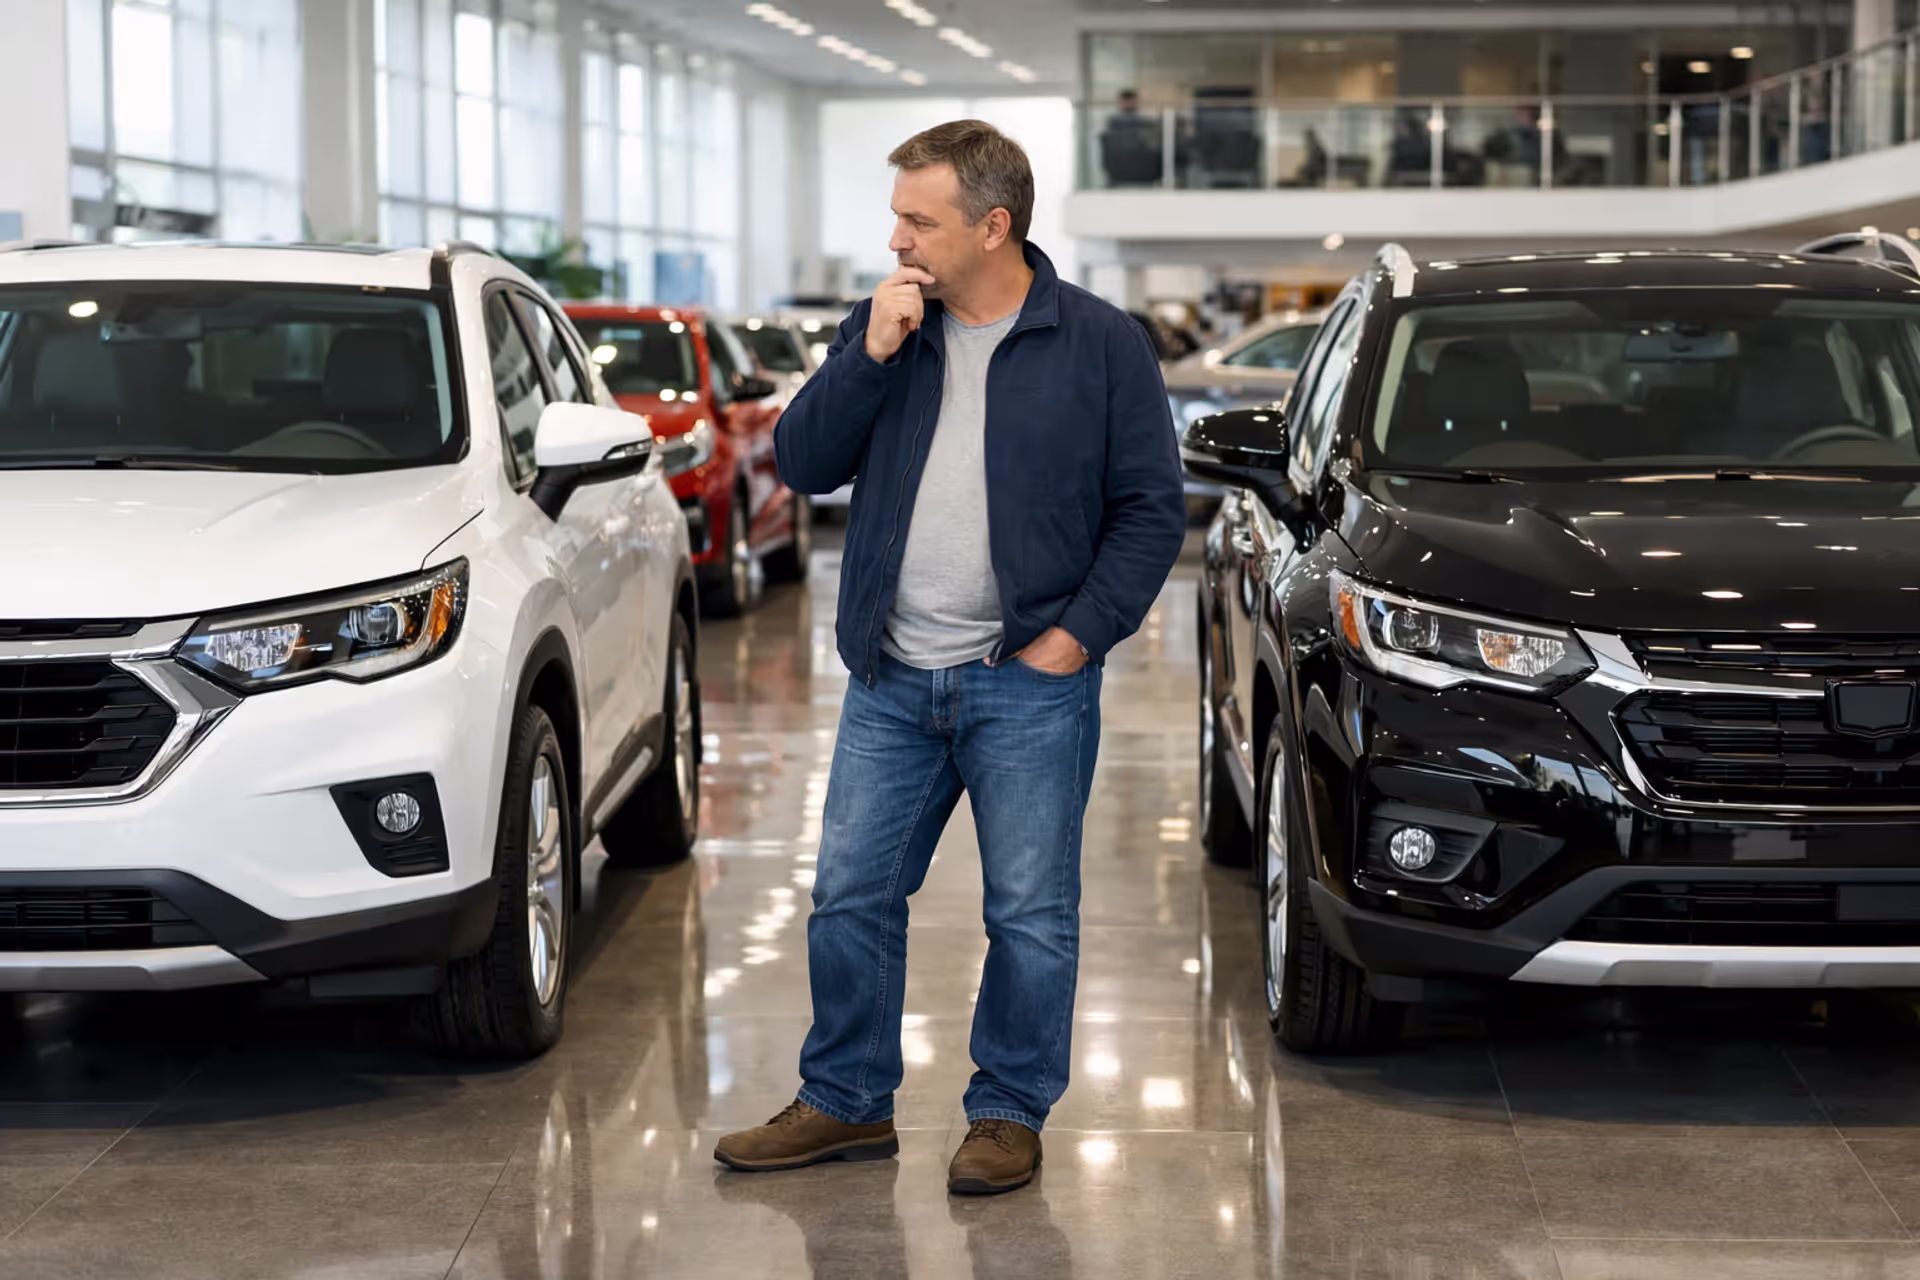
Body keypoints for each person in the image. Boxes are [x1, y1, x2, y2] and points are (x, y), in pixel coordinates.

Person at [713, 120, 1186, 1195]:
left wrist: (1072, 641)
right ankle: (845, 1099)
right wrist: (869, 358)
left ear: (992, 225)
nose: (897, 240)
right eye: (897, 217)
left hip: (1026, 679)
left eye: (918, 220)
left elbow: (1151, 512)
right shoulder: (885, 328)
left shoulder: (1099, 342)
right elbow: (803, 461)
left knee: (1027, 908)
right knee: (848, 894)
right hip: (891, 676)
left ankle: (1008, 1109)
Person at [1099, 89, 1163, 187]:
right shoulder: (1146, 123)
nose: (1128, 104)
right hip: (1134, 176)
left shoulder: (1112, 124)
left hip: (1137, 175)